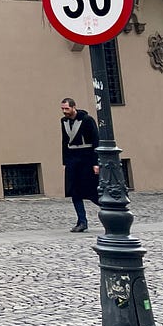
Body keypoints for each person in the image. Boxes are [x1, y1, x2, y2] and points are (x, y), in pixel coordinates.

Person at [60, 96, 100, 232]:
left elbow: (96, 140)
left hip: (86, 157)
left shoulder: (87, 120)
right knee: (74, 191)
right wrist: (65, 161)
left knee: (91, 191)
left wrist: (96, 162)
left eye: (66, 108)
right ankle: (82, 221)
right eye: (62, 109)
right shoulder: (63, 121)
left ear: (73, 107)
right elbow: (64, 141)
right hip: (72, 159)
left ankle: (111, 211)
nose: (64, 111)